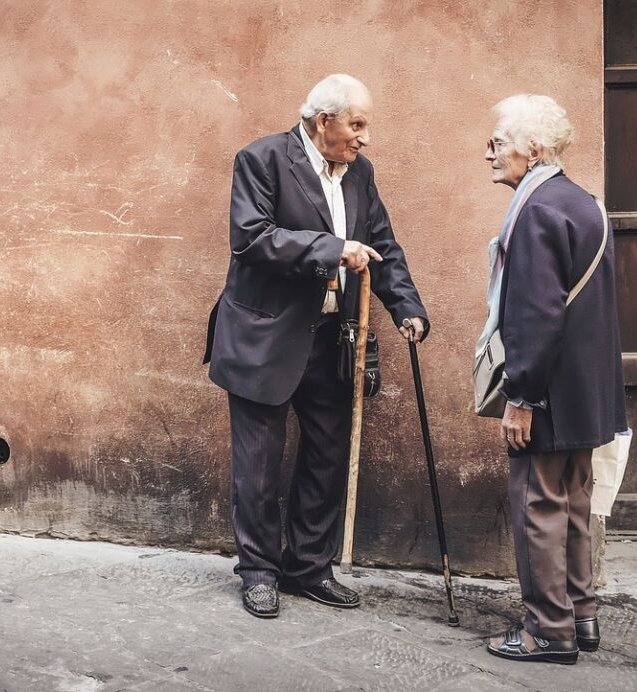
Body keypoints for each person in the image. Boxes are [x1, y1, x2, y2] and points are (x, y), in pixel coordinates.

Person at [202, 74, 429, 619]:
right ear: (323, 120)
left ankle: (308, 567)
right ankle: (258, 571)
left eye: (365, 125)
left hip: (333, 340)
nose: (364, 137)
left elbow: (382, 246)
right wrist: (332, 248)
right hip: (264, 338)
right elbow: (252, 238)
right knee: (257, 466)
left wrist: (408, 308)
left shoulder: (361, 174)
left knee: (327, 459)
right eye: (357, 124)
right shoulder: (261, 160)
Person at [478, 95, 627, 664]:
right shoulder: (584, 202)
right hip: (585, 392)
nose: (489, 153)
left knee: (539, 505)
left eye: (498, 142)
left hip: (548, 393)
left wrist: (522, 397)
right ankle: (581, 616)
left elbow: (536, 314)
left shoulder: (536, 209)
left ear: (532, 150)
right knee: (573, 503)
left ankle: (548, 630)